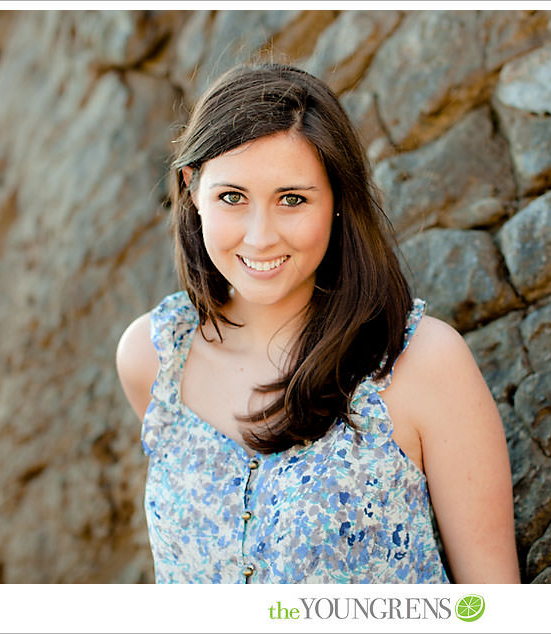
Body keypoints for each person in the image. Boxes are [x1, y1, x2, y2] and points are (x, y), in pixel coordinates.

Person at [116, 63, 519, 584]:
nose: (260, 237)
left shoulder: (423, 366)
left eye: (293, 199)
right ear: (192, 190)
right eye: (232, 197)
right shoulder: (153, 358)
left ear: (336, 200)